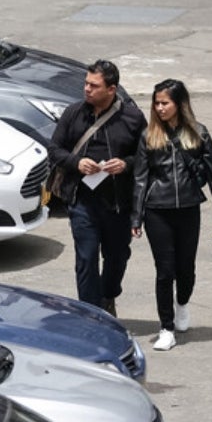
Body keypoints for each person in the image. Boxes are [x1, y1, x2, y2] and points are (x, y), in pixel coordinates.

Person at [131, 78, 212, 351]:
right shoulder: (148, 136)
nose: (160, 108)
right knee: (164, 272)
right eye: (157, 103)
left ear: (179, 104)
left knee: (185, 269)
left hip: (188, 209)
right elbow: (140, 178)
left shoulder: (199, 133)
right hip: (157, 211)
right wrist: (136, 217)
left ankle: (182, 304)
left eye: (165, 103)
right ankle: (166, 328)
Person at [47, 59, 146, 315]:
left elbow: (147, 156)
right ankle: (92, 315)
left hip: (118, 204)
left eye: (94, 85)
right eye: (86, 83)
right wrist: (77, 163)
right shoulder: (74, 113)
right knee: (86, 259)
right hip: (82, 202)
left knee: (117, 257)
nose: (87, 89)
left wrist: (125, 164)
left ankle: (108, 295)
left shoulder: (133, 118)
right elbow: (54, 150)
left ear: (111, 89)